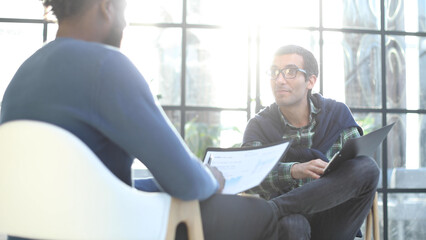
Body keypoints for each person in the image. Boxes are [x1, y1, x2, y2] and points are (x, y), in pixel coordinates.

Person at [0, 0, 279, 239]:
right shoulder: (105, 64)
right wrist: (212, 177)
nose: (126, 22)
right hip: (106, 230)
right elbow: (189, 183)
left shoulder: (25, 73)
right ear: (107, 7)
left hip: (38, 229)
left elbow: (77, 181)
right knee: (263, 213)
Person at [242, 45, 380, 240]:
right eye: (274, 72)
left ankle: (274, 208)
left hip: (334, 220)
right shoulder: (259, 126)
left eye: (290, 72)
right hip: (288, 225)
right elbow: (247, 177)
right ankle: (279, 210)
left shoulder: (337, 115)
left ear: (310, 81)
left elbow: (356, 177)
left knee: (368, 168)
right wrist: (293, 170)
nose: (279, 80)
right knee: (293, 224)